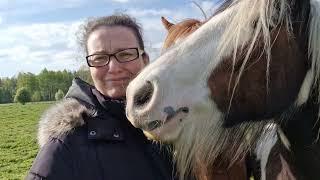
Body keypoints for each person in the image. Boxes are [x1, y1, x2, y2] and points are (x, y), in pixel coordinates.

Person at [26, 14, 175, 180]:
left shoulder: (177, 124)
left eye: (125, 54)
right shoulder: (66, 144)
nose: (113, 68)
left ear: (145, 59)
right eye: (99, 58)